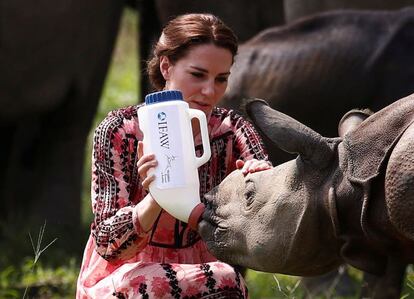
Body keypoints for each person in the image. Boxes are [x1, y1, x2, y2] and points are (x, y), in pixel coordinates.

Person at [76, 13, 272, 298]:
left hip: (208, 271)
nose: (209, 91)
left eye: (221, 79)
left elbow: (269, 209)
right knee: (221, 279)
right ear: (166, 66)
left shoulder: (232, 129)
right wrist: (157, 197)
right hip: (126, 276)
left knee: (225, 279)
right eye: (197, 74)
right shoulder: (119, 131)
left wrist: (259, 179)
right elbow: (108, 244)